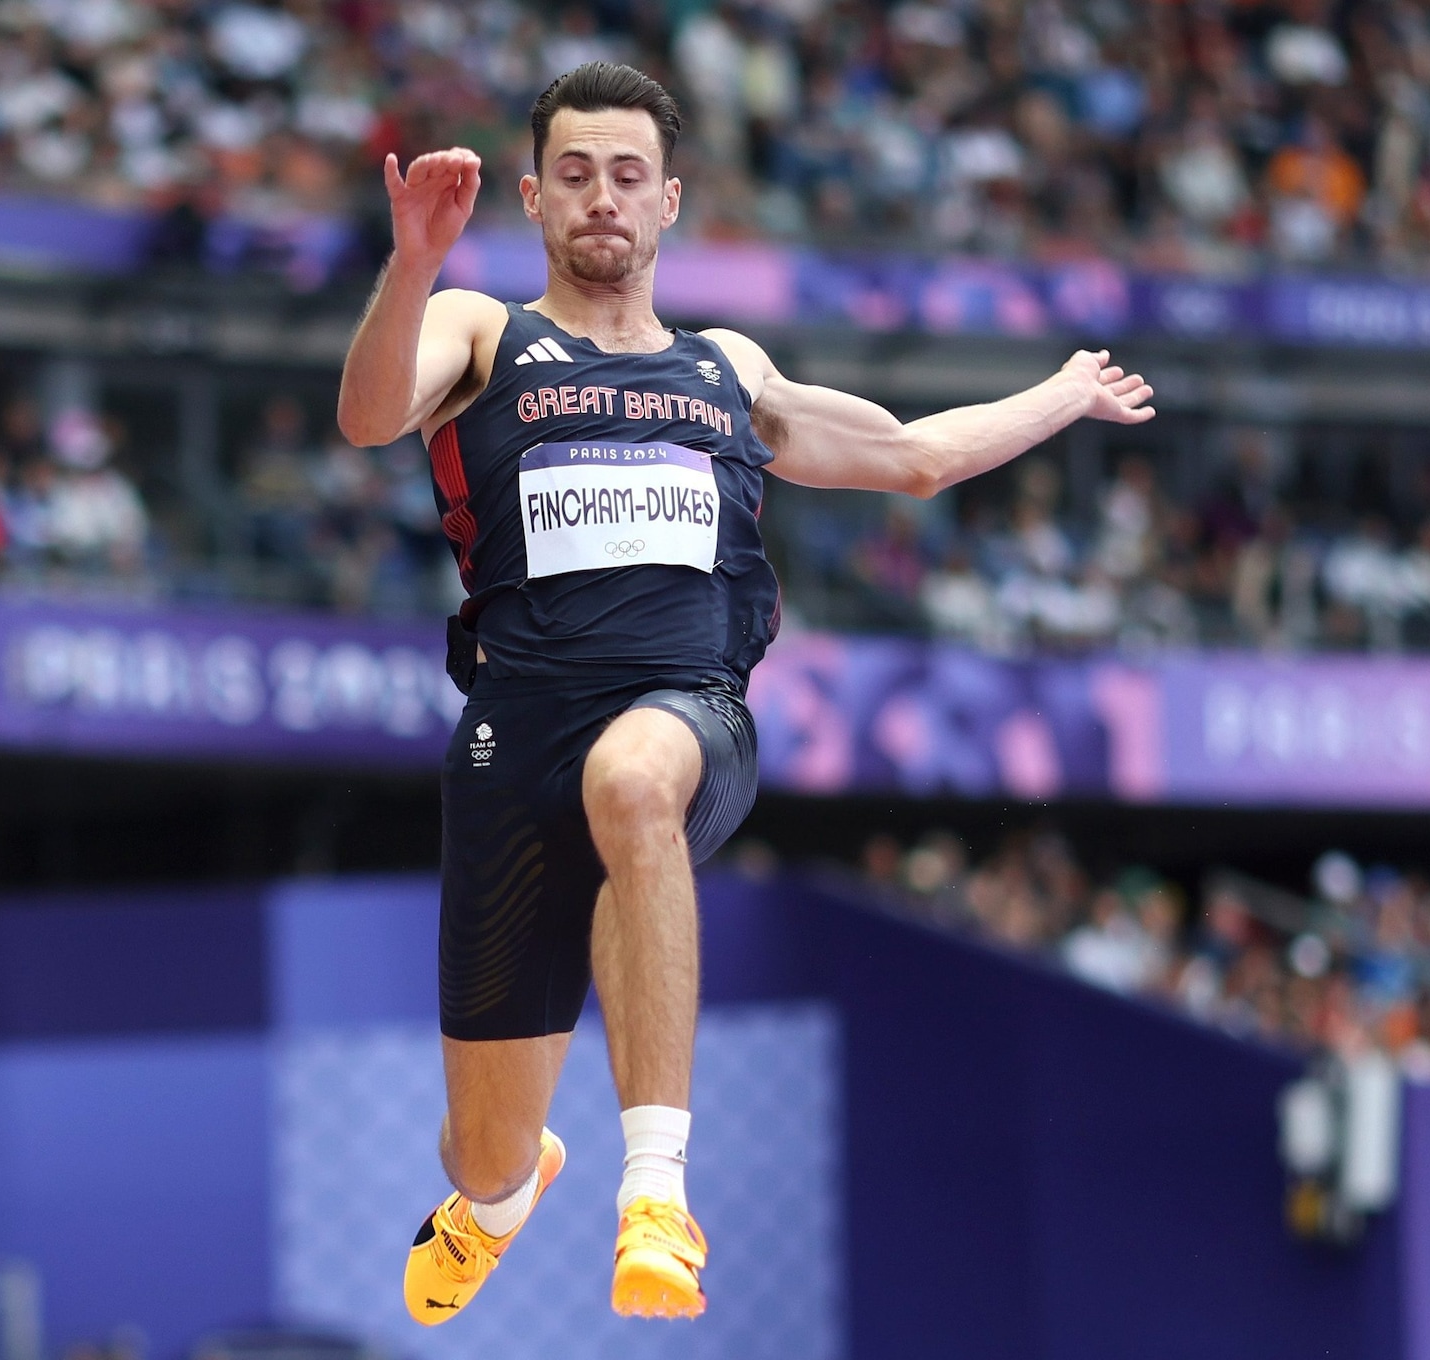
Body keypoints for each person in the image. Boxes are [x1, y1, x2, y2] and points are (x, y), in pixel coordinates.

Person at [335, 61, 1154, 1326]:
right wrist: (411, 265)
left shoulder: (726, 370)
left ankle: (654, 1192)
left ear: (668, 202)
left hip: (686, 710)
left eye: (624, 176)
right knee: (481, 1153)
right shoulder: (482, 331)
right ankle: (501, 1202)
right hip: (512, 744)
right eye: (572, 174)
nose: (599, 197)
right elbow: (368, 411)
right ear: (533, 198)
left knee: (634, 779)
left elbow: (914, 456)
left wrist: (1063, 391)